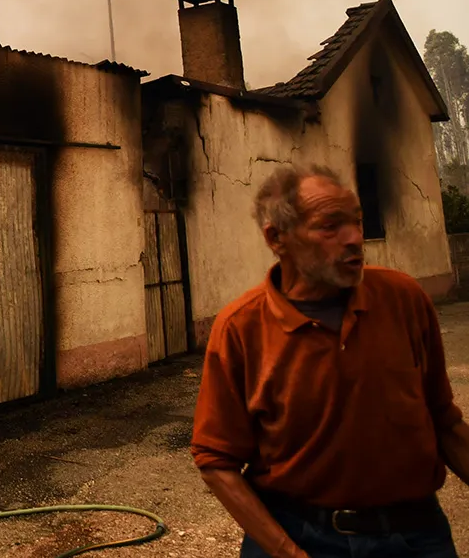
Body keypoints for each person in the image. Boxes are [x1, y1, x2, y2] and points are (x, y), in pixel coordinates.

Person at [192, 164, 469, 557]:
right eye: (330, 226)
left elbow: (445, 420)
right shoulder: (240, 327)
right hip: (300, 534)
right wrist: (288, 552)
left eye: (356, 222)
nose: (355, 238)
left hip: (414, 535)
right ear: (277, 238)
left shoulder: (403, 299)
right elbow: (216, 461)